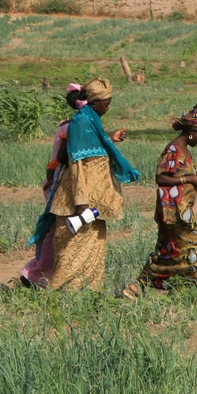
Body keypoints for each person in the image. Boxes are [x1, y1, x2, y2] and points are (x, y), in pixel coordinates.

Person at [47, 77, 139, 290]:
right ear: (95, 102)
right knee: (73, 247)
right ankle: (62, 289)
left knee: (94, 244)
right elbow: (77, 163)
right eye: (106, 103)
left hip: (95, 200)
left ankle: (89, 290)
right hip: (81, 199)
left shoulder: (92, 120)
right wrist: (81, 202)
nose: (108, 107)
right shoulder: (80, 122)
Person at [125, 105, 197, 296]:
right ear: (191, 132)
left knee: (168, 250)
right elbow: (160, 178)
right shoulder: (173, 151)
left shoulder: (183, 150)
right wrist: (190, 179)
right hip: (173, 212)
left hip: (180, 210)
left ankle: (138, 287)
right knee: (192, 246)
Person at [21, 84, 89, 288]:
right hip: (64, 181)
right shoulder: (75, 126)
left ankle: (45, 273)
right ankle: (38, 273)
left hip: (56, 179)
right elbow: (64, 156)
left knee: (58, 228)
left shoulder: (66, 124)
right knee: (60, 230)